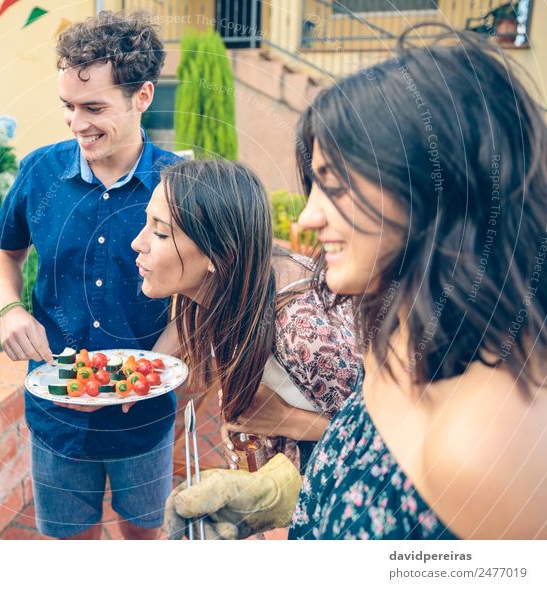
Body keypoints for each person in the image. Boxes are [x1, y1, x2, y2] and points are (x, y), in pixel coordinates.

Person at [165, 24, 547, 540]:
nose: (307, 218)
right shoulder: (392, 341)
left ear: (437, 194)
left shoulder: (479, 449)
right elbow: (374, 482)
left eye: (337, 186)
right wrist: (276, 496)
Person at [0, 11, 181, 540]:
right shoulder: (39, 171)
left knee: (145, 534)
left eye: (94, 107)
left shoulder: (178, 185)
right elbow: (6, 255)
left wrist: (156, 364)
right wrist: (9, 309)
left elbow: (198, 295)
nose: (77, 123)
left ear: (142, 96)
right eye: (69, 107)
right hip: (56, 413)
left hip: (144, 412)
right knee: (70, 545)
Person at [130, 158, 362, 539]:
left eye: (159, 232)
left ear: (215, 256)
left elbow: (386, 441)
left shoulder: (304, 332)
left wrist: (284, 418)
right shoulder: (234, 281)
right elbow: (188, 324)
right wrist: (141, 375)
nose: (137, 242)